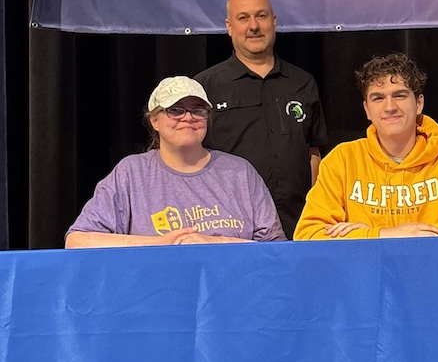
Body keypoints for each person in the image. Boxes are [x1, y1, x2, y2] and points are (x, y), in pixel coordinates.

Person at [65, 76, 286, 247]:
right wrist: (160, 244)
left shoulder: (240, 172)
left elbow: (276, 249)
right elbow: (77, 241)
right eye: (175, 110)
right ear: (155, 120)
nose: (188, 117)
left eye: (197, 110)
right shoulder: (132, 173)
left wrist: (215, 242)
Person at [294, 52, 438, 239]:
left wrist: (362, 237)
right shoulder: (342, 160)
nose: (390, 107)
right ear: (367, 109)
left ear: (419, 104)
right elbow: (309, 234)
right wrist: (381, 235)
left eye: (399, 95)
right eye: (378, 98)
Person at [195, 0, 327, 239]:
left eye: (261, 16)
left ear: (274, 21)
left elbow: (313, 154)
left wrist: (313, 216)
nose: (253, 26)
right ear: (229, 27)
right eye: (243, 18)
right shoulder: (206, 86)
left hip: (297, 227)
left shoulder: (303, 82)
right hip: (232, 231)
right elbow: (193, 160)